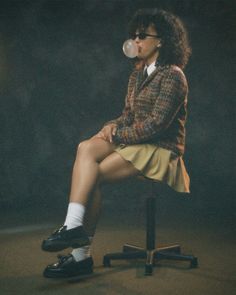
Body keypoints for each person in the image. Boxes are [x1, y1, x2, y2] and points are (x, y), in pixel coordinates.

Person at [41, 8, 192, 278]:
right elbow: (128, 116)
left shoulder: (173, 75)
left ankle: (80, 257)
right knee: (85, 147)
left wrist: (118, 135)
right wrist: (111, 126)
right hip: (136, 142)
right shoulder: (137, 75)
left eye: (142, 36)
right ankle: (72, 228)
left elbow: (157, 124)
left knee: (95, 176)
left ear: (161, 40)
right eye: (133, 35)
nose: (135, 41)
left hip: (160, 149)